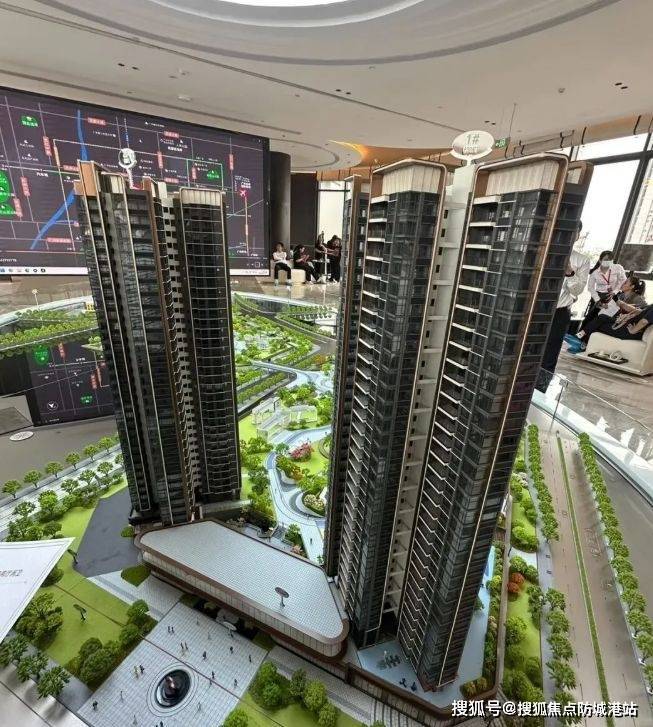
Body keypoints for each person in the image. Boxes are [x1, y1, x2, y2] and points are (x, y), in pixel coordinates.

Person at [537, 224, 590, 390]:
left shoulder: (581, 260)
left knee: (549, 356)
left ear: (577, 235)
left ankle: (539, 393)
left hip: (558, 313)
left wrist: (570, 273)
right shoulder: (541, 251)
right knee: (526, 349)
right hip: (534, 309)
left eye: (573, 231)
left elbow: (578, 290)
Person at [573, 276, 646, 349]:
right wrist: (603, 305)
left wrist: (624, 307)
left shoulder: (638, 299)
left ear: (632, 286)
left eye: (625, 282)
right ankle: (582, 341)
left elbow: (640, 311)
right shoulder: (620, 295)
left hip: (622, 324)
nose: (622, 283)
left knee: (599, 320)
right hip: (613, 318)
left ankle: (581, 340)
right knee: (593, 314)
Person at [582, 250, 628, 330]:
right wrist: (598, 300)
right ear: (600, 260)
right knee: (590, 318)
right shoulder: (595, 273)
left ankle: (597, 334)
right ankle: (583, 335)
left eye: (610, 260)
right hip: (599, 296)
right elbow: (590, 287)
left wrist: (615, 291)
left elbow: (623, 280)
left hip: (613, 296)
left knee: (604, 318)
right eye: (606, 260)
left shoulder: (618, 268)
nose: (608, 262)